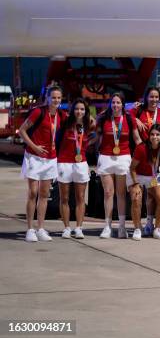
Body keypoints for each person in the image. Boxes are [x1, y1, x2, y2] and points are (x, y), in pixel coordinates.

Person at [19, 85, 65, 242]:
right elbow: (22, 130)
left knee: (44, 194)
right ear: (47, 97)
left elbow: (80, 120)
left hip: (50, 159)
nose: (56, 100)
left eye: (59, 98)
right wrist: (35, 147)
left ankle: (40, 228)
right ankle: (30, 229)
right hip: (34, 156)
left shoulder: (61, 115)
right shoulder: (39, 111)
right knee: (33, 192)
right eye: (53, 97)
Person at [96, 92, 141, 239]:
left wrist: (147, 152)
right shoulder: (103, 119)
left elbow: (137, 138)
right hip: (106, 157)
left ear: (122, 104)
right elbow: (96, 137)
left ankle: (121, 227)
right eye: (113, 102)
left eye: (118, 102)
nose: (115, 105)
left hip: (123, 158)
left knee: (121, 194)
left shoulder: (129, 119)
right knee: (108, 193)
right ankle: (107, 226)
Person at [56, 98, 94, 239]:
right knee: (64, 198)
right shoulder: (65, 122)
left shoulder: (88, 124)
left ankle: (79, 228)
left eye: (82, 109)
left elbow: (100, 128)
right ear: (72, 110)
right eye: (77, 109)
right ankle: (66, 228)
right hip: (64, 163)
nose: (79, 111)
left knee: (80, 197)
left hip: (81, 163)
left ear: (86, 111)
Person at [130, 86, 160, 236]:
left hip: (155, 164)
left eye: (157, 97)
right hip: (142, 156)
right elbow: (127, 116)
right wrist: (135, 118)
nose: (154, 100)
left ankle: (155, 227)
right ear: (146, 98)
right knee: (137, 198)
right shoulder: (139, 111)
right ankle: (138, 228)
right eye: (151, 97)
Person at [127, 124, 160, 240]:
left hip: (153, 176)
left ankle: (157, 229)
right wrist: (135, 185)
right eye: (152, 134)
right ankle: (137, 229)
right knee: (136, 197)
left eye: (158, 135)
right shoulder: (141, 148)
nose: (155, 137)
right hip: (137, 175)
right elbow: (132, 168)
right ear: (149, 136)